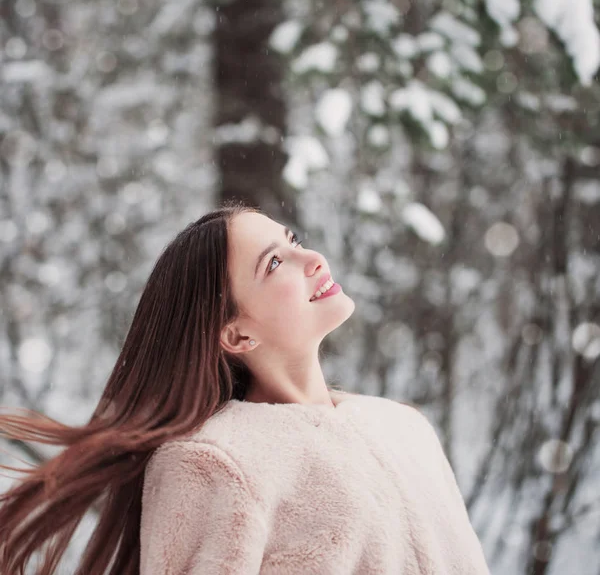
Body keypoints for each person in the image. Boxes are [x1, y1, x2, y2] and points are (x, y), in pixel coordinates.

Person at [0, 199, 491, 574]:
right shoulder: (213, 462)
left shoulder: (405, 427)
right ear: (236, 334)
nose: (314, 258)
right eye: (274, 264)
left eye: (294, 241)